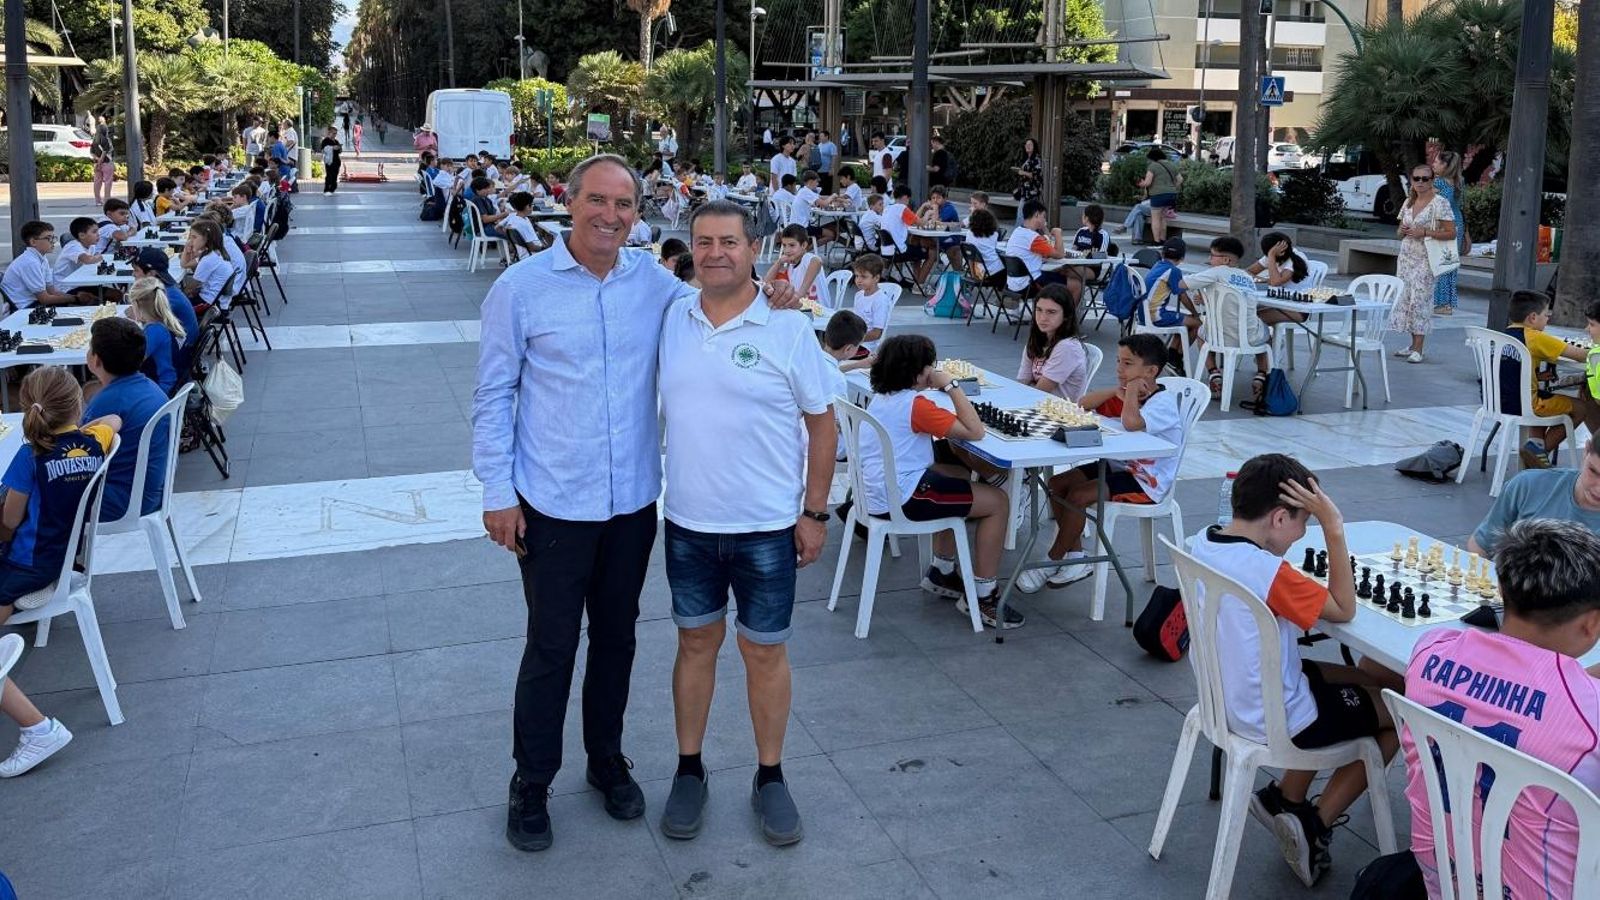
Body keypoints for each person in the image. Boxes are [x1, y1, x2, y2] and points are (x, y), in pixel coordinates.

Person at [473, 153, 800, 853]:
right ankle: (531, 782)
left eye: (624, 205)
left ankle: (604, 761)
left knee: (617, 641)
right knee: (552, 646)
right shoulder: (520, 289)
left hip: (630, 507)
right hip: (554, 504)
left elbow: (717, 302)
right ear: (569, 200)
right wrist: (497, 492)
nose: (611, 216)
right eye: (598, 201)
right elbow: (494, 393)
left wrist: (775, 303)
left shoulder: (654, 284)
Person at [656, 200, 836, 848]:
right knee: (695, 644)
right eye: (703, 241)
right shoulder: (670, 317)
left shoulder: (788, 329)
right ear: (690, 251)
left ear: (753, 248)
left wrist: (814, 513)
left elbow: (823, 424)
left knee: (764, 652)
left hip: (767, 529)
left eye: (728, 241)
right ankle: (688, 768)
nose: (715, 253)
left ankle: (770, 776)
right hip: (689, 523)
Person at [1186, 453, 1400, 887]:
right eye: (1304, 522)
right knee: (1403, 710)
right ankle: (1313, 825)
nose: (1304, 533)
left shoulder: (1202, 542)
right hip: (1276, 717)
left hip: (1226, 695)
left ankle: (1283, 797)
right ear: (1280, 517)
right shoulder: (1268, 572)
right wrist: (1334, 526)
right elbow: (1342, 607)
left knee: (1371, 677)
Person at [1404, 519, 1600, 898]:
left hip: (1442, 874)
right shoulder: (1590, 715)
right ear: (1592, 624)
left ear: (1502, 590)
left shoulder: (1429, 653)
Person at [0, 366, 122, 778]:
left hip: (25, 566)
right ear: (79, 406)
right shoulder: (93, 443)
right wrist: (90, 425)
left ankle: (38, 728)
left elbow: (9, 524)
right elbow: (114, 422)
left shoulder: (29, 457)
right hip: (60, 556)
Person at [856, 334, 1016, 627]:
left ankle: (942, 569)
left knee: (954, 474)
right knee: (997, 502)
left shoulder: (884, 396)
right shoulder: (917, 406)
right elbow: (975, 431)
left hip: (875, 492)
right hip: (904, 498)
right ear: (919, 371)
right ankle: (982, 596)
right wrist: (952, 385)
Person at [1016, 334, 1189, 591]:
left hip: (1146, 481)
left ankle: (1051, 560)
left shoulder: (1162, 403)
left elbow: (1131, 423)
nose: (1119, 369)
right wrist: (1116, 391)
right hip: (1119, 465)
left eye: (1128, 364)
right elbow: (1082, 405)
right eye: (1118, 361)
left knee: (1078, 495)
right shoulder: (1128, 394)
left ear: (1151, 371)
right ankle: (1075, 558)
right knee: (1056, 483)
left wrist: (1129, 393)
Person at [1494, 290, 1600, 469]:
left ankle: (1536, 446)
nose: (1548, 319)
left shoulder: (1504, 335)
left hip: (1498, 400)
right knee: (1580, 408)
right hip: (1524, 403)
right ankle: (1538, 455)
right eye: (1546, 315)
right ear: (1533, 318)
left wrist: (1538, 376)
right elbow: (1582, 355)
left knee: (1546, 395)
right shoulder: (1535, 337)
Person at [83, 317, 172, 523]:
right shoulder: (150, 387)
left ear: (95, 360)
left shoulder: (106, 403)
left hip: (123, 500)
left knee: (39, 492)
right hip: (152, 490)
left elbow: (76, 455)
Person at [1185, 236, 1274, 402]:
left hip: (1218, 338)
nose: (1209, 259)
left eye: (1212, 256)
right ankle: (1261, 374)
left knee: (1202, 333)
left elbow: (1182, 284)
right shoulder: (1247, 277)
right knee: (1267, 335)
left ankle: (1213, 372)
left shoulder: (1216, 272)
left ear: (1226, 259)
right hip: (1249, 338)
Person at [1389, 163, 1454, 364]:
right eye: (1416, 178)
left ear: (1432, 180)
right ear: (1411, 180)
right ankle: (1411, 345)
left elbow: (1452, 232)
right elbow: (1399, 231)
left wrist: (1424, 232)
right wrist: (1404, 230)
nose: (1420, 182)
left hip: (1426, 258)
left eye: (1425, 179)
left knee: (1420, 301)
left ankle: (1419, 348)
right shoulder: (1409, 201)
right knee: (1407, 300)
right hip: (1407, 257)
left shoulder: (1440, 203)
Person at [1017, 282, 1090, 402]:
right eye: (1039, 310)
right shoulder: (1036, 341)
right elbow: (1021, 383)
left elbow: (1040, 391)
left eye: (1051, 312)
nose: (1042, 318)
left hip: (1058, 413)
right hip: (1036, 404)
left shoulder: (1067, 347)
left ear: (1066, 315)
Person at [131, 248, 199, 367]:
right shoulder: (165, 289)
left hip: (178, 356)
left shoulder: (164, 297)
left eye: (136, 270)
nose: (133, 274)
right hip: (180, 347)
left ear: (151, 274)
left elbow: (140, 320)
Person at [1141, 237, 1203, 360]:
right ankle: (1177, 358)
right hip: (1156, 315)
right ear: (1182, 258)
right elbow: (1182, 297)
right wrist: (1195, 313)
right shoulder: (1173, 271)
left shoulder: (1158, 265)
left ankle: (1172, 354)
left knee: (1184, 321)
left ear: (1162, 253)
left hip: (1142, 313)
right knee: (1198, 324)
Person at [124, 277, 185, 395]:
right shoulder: (166, 321)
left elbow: (130, 363)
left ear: (136, 304)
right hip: (170, 382)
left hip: (160, 389)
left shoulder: (154, 331)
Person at [2, 222, 76, 310]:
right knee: (76, 307)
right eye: (48, 238)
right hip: (25, 307)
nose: (53, 242)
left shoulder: (42, 258)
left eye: (53, 238)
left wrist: (74, 297)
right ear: (33, 242)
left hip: (36, 302)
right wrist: (75, 299)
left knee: (77, 298)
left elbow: (51, 291)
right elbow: (45, 299)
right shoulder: (30, 262)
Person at [1003, 200, 1068, 294]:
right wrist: (1058, 234)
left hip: (1014, 283)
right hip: (1030, 283)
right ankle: (1069, 308)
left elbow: (1043, 250)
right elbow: (1060, 254)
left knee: (1058, 273)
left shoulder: (1018, 231)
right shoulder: (1032, 237)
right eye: (1044, 217)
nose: (1045, 220)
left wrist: (1045, 230)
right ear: (1037, 215)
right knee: (1072, 282)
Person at [1431, 149, 1466, 316]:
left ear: (1445, 165)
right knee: (1451, 266)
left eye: (1436, 162)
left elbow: (1431, 206)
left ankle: (1441, 303)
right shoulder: (1459, 182)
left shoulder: (1439, 183)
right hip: (1458, 225)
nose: (1433, 164)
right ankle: (1448, 304)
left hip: (1444, 227)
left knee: (1441, 265)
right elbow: (1460, 208)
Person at [180, 220, 236, 311]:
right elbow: (185, 264)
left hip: (210, 305)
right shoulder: (215, 253)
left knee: (171, 307)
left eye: (194, 237)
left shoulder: (209, 259)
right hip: (217, 301)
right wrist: (187, 250)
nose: (190, 240)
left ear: (207, 238)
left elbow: (190, 288)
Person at [765, 225, 823, 305]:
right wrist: (779, 262)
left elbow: (817, 261)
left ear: (804, 245)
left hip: (820, 311)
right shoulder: (791, 266)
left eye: (792, 245)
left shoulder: (808, 258)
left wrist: (799, 294)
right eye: (784, 245)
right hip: (803, 310)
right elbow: (766, 282)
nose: (787, 250)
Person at [1137, 147, 1182, 246]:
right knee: (1163, 219)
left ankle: (1156, 241)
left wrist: (1142, 184)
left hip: (1158, 195)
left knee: (1156, 219)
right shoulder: (1172, 165)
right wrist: (1172, 187)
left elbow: (1148, 183)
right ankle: (1163, 240)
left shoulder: (1153, 166)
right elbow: (1180, 179)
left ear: (1153, 158)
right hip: (1171, 195)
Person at [848, 254, 893, 352]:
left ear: (876, 278)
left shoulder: (880, 300)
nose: (859, 280)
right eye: (857, 276)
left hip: (867, 346)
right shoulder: (859, 295)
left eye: (864, 277)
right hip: (856, 341)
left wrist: (853, 340)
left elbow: (876, 334)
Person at [51, 217, 105, 292]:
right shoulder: (73, 246)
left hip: (79, 283)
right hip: (65, 287)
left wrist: (97, 257)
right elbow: (88, 260)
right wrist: (99, 257)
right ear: (82, 235)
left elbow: (95, 257)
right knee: (107, 296)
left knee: (115, 294)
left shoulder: (91, 246)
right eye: (94, 232)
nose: (98, 234)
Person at [1246, 231, 1311, 288]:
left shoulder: (1295, 258)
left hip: (1297, 294)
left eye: (1271, 253)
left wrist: (1271, 256)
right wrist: (1264, 280)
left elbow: (1275, 282)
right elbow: (1247, 272)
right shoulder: (1272, 254)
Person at [500, 192, 546, 258]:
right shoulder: (522, 224)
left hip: (524, 254)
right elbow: (532, 247)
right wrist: (545, 248)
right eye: (532, 204)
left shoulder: (516, 219)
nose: (533, 206)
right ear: (528, 206)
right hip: (532, 255)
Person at [1012, 137, 1042, 225]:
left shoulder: (1036, 160)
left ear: (1034, 147)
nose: (1027, 146)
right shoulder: (1026, 159)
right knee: (1027, 214)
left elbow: (1036, 174)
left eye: (1030, 145)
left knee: (1021, 213)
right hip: (1025, 191)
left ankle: (1018, 232)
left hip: (1031, 191)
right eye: (1026, 144)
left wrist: (1022, 172)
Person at [91, 116, 115, 205]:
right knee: (108, 182)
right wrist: (100, 161)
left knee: (97, 182)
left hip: (96, 164)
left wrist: (97, 161)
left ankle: (98, 201)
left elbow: (92, 152)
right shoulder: (106, 140)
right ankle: (107, 200)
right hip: (107, 163)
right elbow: (105, 152)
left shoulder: (94, 140)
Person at [814, 129, 839, 194]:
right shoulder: (819, 145)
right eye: (820, 136)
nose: (820, 138)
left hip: (827, 171)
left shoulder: (831, 145)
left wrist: (831, 168)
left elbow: (834, 157)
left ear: (826, 136)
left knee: (826, 188)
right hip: (819, 170)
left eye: (822, 136)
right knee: (819, 188)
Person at [320, 126, 343, 194]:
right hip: (330, 161)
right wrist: (332, 148)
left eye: (335, 133)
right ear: (329, 133)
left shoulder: (336, 141)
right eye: (333, 133)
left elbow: (339, 151)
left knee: (335, 176)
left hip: (336, 161)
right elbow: (323, 149)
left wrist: (339, 148)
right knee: (329, 175)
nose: (334, 135)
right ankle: (327, 189)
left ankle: (332, 188)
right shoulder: (325, 141)